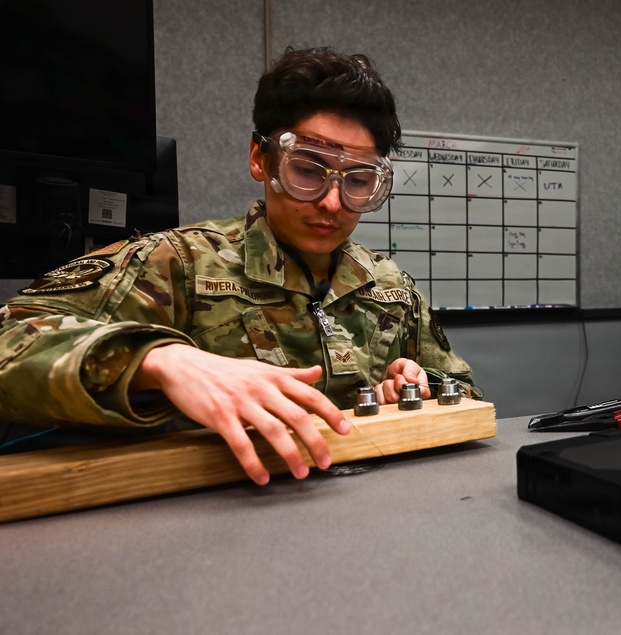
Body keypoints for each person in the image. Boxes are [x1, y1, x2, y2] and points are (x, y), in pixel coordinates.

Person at [0, 47, 480, 485]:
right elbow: (11, 337)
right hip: (215, 519)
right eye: (308, 171)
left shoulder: (390, 287)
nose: (333, 202)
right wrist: (161, 360)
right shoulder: (176, 264)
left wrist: (418, 387)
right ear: (260, 158)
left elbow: (466, 397)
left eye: (358, 180)